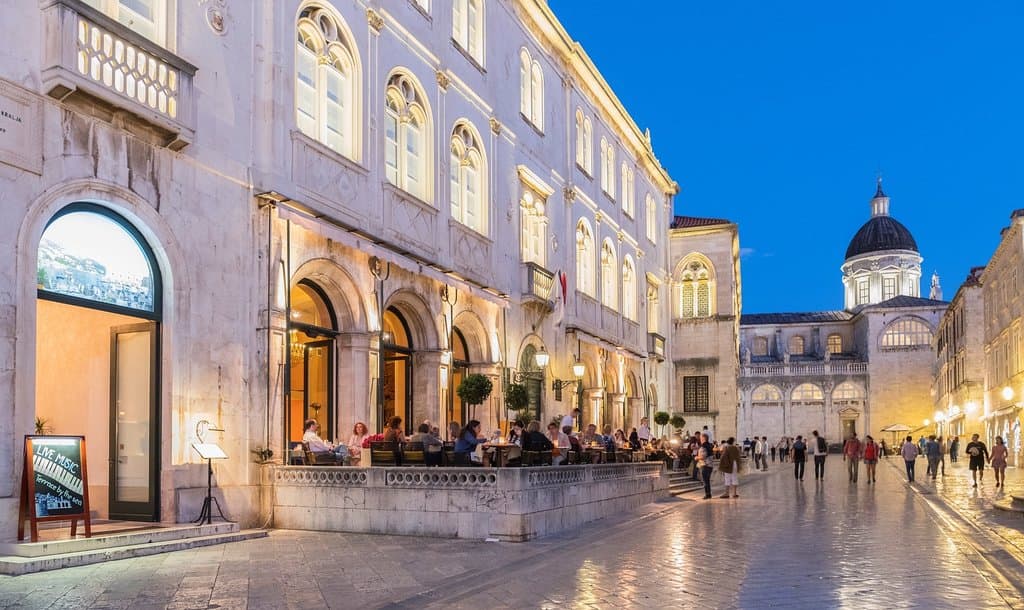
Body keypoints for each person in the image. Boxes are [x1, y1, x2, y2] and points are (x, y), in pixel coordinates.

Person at [697, 433, 714, 499]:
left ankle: (707, 494)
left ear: (703, 438)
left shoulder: (704, 446)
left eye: (701, 438)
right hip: (710, 465)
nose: (700, 439)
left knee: (705, 480)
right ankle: (708, 493)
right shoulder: (710, 445)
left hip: (705, 465)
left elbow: (703, 456)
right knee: (707, 480)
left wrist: (697, 458)